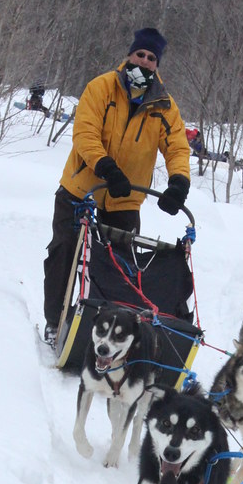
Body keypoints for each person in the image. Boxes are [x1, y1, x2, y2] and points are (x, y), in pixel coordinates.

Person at [43, 27, 191, 345]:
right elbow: (85, 133)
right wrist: (105, 166)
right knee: (64, 252)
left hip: (125, 201)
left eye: (152, 58)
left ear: (157, 64)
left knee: (119, 270)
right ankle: (55, 322)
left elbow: (177, 147)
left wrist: (179, 181)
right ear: (130, 55)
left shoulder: (164, 106)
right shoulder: (102, 88)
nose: (145, 61)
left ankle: (107, 336)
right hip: (82, 190)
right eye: (140, 54)